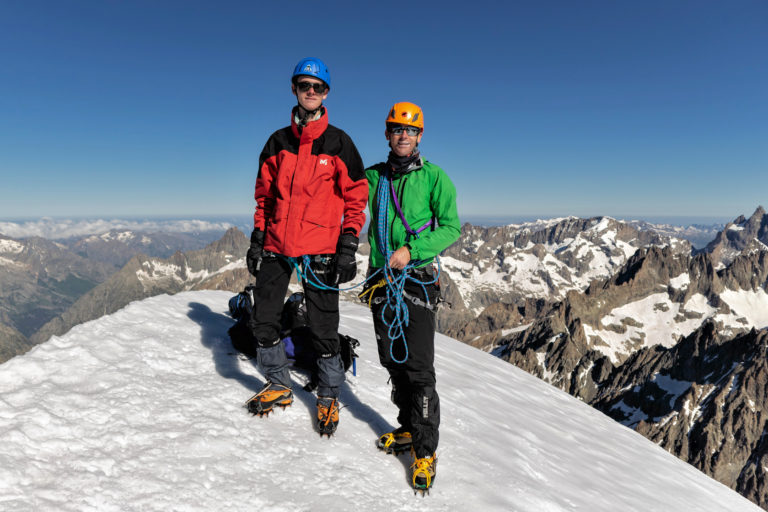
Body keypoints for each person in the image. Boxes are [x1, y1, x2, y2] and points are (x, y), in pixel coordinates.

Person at [244, 57, 367, 437]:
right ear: (294, 90)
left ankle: (329, 393)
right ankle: (280, 382)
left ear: (326, 93)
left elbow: (355, 197)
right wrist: (257, 239)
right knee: (264, 318)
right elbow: (264, 197)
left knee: (323, 325)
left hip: (321, 249)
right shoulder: (277, 142)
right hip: (278, 245)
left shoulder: (339, 143)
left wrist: (348, 243)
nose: (310, 92)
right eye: (304, 86)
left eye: (317, 87)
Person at [362, 102, 460, 491]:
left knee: (419, 369)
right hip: (380, 281)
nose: (403, 135)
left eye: (410, 130)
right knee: (393, 361)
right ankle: (407, 428)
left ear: (419, 136)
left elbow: (450, 228)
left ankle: (424, 451)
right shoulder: (373, 177)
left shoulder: (436, 178)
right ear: (387, 134)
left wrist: (412, 251)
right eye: (396, 129)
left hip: (416, 281)